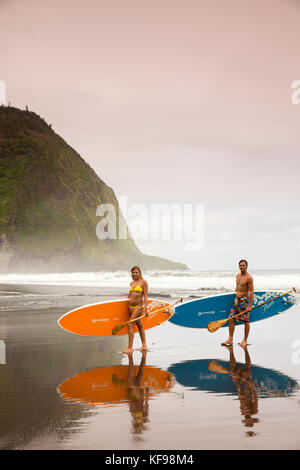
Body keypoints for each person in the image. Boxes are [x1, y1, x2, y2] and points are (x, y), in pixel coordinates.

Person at [222, 259, 254, 347]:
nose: (241, 267)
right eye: (240, 265)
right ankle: (230, 339)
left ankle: (245, 340)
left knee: (246, 320)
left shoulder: (249, 277)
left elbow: (251, 291)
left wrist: (249, 305)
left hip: (244, 301)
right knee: (231, 318)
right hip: (237, 300)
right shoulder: (238, 276)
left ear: (246, 266)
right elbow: (237, 288)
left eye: (243, 265)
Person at [122, 266, 148, 355]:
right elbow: (129, 296)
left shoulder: (143, 282)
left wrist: (146, 309)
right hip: (130, 307)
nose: (135, 274)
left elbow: (145, 296)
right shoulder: (131, 283)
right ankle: (144, 345)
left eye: (137, 272)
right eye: (133, 272)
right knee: (139, 324)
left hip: (139, 306)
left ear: (140, 273)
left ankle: (130, 347)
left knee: (130, 324)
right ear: (131, 273)